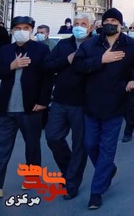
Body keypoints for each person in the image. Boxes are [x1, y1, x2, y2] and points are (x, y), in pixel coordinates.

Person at [73, 8, 134, 210]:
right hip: (92, 103)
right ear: (102, 23)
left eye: (114, 20)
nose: (110, 23)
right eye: (107, 20)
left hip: (116, 104)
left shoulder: (131, 46)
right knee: (90, 144)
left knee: (107, 148)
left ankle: (96, 191)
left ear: (121, 24)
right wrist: (100, 60)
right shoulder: (91, 44)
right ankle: (108, 170)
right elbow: (78, 66)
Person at [0, 16, 53, 199]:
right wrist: (12, 66)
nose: (21, 31)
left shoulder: (41, 50)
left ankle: (32, 178)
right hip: (6, 108)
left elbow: (47, 77)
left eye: (25, 28)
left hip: (31, 107)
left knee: (32, 145)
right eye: (17, 28)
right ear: (12, 30)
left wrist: (43, 101)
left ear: (31, 30)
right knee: (2, 148)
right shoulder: (5, 50)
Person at [43, 12, 93, 199]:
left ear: (90, 27)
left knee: (79, 145)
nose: (79, 27)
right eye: (76, 23)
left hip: (82, 103)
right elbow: (47, 65)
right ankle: (69, 169)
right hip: (60, 101)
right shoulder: (63, 45)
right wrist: (66, 60)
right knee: (52, 137)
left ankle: (71, 184)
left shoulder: (95, 45)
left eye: (83, 24)